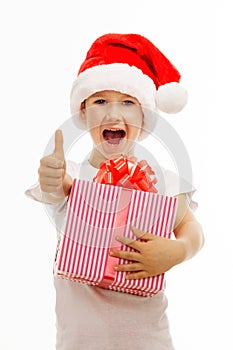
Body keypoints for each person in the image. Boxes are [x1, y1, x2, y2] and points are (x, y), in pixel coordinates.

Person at [25, 33, 204, 350]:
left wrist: (179, 251)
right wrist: (53, 176)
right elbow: (57, 189)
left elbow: (190, 227)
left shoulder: (165, 182)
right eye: (100, 101)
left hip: (149, 340)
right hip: (78, 342)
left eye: (127, 102)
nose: (113, 113)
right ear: (83, 112)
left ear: (144, 117)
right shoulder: (74, 175)